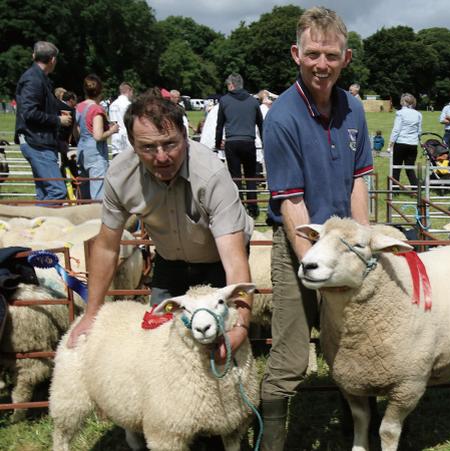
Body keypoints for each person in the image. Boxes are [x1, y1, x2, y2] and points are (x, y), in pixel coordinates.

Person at [67, 92, 254, 363]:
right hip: (169, 261)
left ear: (185, 137)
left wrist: (240, 325)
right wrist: (92, 313)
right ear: (131, 143)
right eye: (148, 147)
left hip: (218, 262)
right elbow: (107, 246)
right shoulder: (120, 176)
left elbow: (235, 260)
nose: (162, 156)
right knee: (158, 339)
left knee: (219, 339)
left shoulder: (212, 175)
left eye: (170, 144)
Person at [260, 7, 372, 450]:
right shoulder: (282, 118)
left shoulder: (354, 109)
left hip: (345, 249)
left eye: (330, 54)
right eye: (312, 54)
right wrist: (313, 265)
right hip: (301, 249)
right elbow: (290, 203)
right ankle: (272, 441)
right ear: (296, 54)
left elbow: (360, 180)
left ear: (345, 58)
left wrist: (363, 250)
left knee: (353, 347)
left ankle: (360, 435)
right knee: (290, 355)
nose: (321, 64)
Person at [14, 41, 71, 202]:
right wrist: (58, 120)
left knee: (45, 193)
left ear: (34, 56)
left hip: (40, 141)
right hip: (36, 142)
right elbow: (29, 113)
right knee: (57, 191)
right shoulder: (33, 79)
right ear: (52, 60)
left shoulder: (39, 78)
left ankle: (40, 224)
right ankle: (47, 226)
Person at [215, 73, 264, 219]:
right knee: (250, 176)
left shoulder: (224, 101)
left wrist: (218, 143)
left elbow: (220, 125)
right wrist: (265, 143)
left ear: (231, 85)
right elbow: (261, 125)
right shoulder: (253, 102)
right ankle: (253, 207)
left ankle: (238, 205)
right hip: (249, 142)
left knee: (235, 177)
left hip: (232, 142)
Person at [75, 74, 118, 200]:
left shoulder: (79, 107)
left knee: (84, 192)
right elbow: (98, 136)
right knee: (98, 192)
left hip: (82, 151)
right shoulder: (96, 110)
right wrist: (112, 130)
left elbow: (76, 131)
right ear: (100, 91)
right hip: (96, 154)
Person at [388, 93, 422, 188]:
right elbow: (419, 131)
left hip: (401, 143)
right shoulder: (418, 114)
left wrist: (390, 143)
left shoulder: (400, 113)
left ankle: (395, 189)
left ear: (404, 102)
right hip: (413, 144)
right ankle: (416, 188)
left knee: (396, 167)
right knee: (410, 168)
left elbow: (396, 130)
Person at [108, 82, 134, 155]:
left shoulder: (112, 105)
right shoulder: (128, 104)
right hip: (126, 138)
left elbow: (112, 123)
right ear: (129, 90)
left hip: (115, 137)